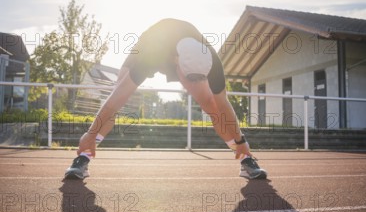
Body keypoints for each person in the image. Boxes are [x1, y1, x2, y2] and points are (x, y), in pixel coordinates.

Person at [64, 18, 267, 180]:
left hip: (185, 51)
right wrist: (90, 134)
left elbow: (224, 106)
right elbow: (117, 98)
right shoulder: (151, 55)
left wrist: (241, 141)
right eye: (190, 80)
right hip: (149, 43)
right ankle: (84, 156)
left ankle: (245, 159)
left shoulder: (212, 61)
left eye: (198, 80)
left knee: (213, 107)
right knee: (119, 89)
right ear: (176, 64)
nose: (191, 87)